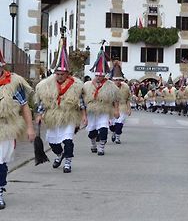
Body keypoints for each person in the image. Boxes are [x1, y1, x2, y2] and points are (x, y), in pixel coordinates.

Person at [35, 33, 87, 173]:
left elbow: (81, 102)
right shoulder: (47, 86)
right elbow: (44, 101)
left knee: (68, 140)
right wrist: (39, 114)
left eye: (62, 74)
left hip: (69, 115)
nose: (59, 76)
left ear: (67, 74)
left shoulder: (75, 86)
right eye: (57, 74)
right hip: (53, 116)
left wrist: (84, 116)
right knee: (53, 142)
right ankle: (59, 154)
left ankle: (68, 162)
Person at [0, 50, 35, 209]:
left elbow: (24, 107)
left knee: (0, 161)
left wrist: (30, 128)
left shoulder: (13, 83)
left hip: (6, 127)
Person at [83, 44, 120, 155]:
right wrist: (83, 115)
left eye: (101, 76)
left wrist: (116, 110)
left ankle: (101, 147)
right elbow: (82, 100)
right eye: (97, 76)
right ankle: (93, 144)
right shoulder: (87, 85)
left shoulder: (110, 85)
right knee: (92, 132)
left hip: (104, 109)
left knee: (103, 129)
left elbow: (116, 98)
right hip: (91, 111)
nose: (99, 78)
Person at [110, 60, 131, 144]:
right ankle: (114, 132)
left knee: (119, 124)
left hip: (122, 107)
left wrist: (129, 109)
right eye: (116, 80)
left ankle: (118, 137)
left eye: (119, 79)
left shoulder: (125, 87)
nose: (118, 81)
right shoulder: (109, 87)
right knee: (112, 126)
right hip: (111, 108)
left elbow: (128, 98)